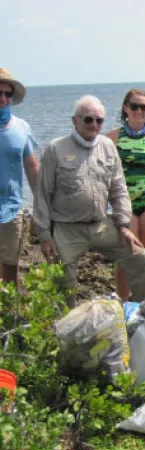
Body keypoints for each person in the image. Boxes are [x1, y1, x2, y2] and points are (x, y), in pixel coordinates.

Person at [33, 95, 145, 305]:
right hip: (66, 228)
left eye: (99, 120)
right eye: (88, 119)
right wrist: (44, 235)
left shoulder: (108, 146)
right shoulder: (55, 149)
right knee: (63, 281)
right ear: (75, 121)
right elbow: (42, 194)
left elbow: (119, 189)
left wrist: (124, 225)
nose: (94, 125)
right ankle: (66, 327)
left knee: (140, 258)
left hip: (102, 225)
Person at [106, 89, 145, 300]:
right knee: (128, 255)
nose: (139, 111)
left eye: (144, 107)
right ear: (126, 108)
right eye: (135, 106)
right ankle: (124, 303)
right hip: (125, 203)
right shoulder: (112, 138)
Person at [0, 68, 40, 287]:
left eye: (8, 94)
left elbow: (32, 167)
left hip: (11, 210)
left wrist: (43, 204)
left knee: (10, 267)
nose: (3, 98)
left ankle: (9, 316)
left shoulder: (21, 127)